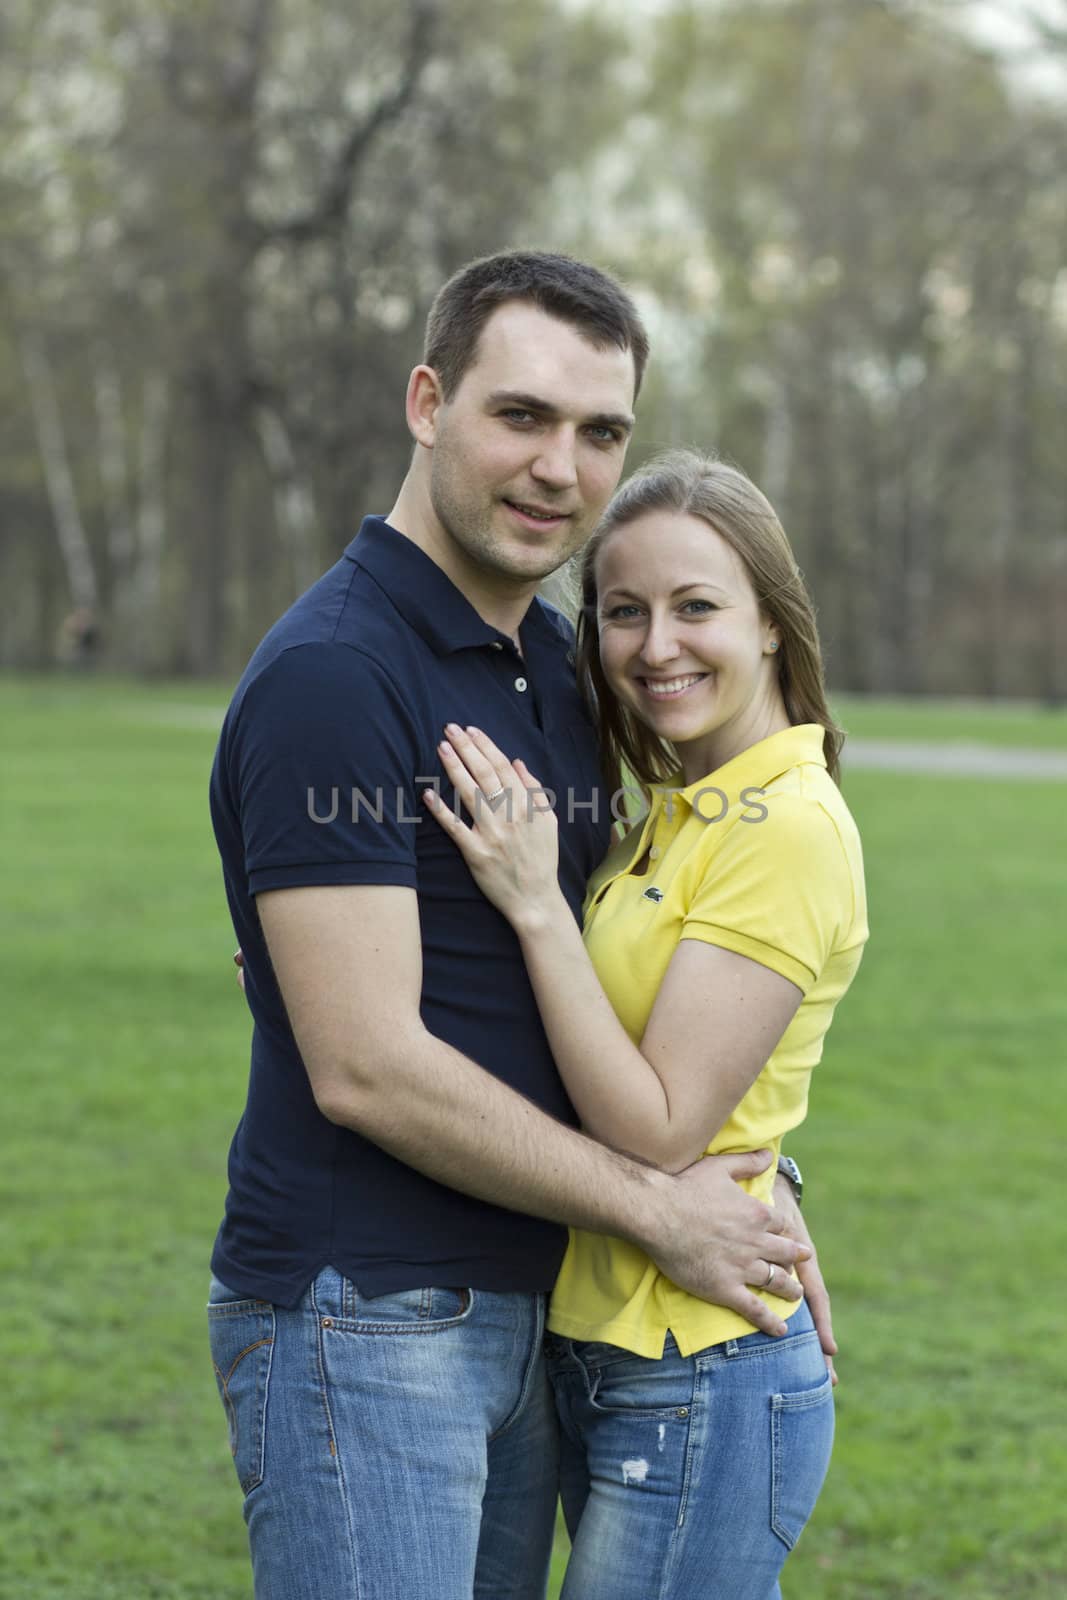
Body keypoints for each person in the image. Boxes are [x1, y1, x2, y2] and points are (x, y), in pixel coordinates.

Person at [207, 252, 823, 1600]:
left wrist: (748, 1182)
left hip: (538, 1312)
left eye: (600, 431)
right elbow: (362, 1062)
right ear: (427, 402)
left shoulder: (557, 662)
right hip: (360, 1317)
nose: (560, 467)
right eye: (521, 416)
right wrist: (666, 1215)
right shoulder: (336, 673)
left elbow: (632, 962)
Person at [427, 448, 868, 1599]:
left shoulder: (782, 823)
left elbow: (664, 1126)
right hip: (609, 1348)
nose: (655, 644)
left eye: (695, 607)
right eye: (623, 611)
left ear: (771, 622)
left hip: (699, 1365)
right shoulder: (673, 811)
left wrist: (535, 908)